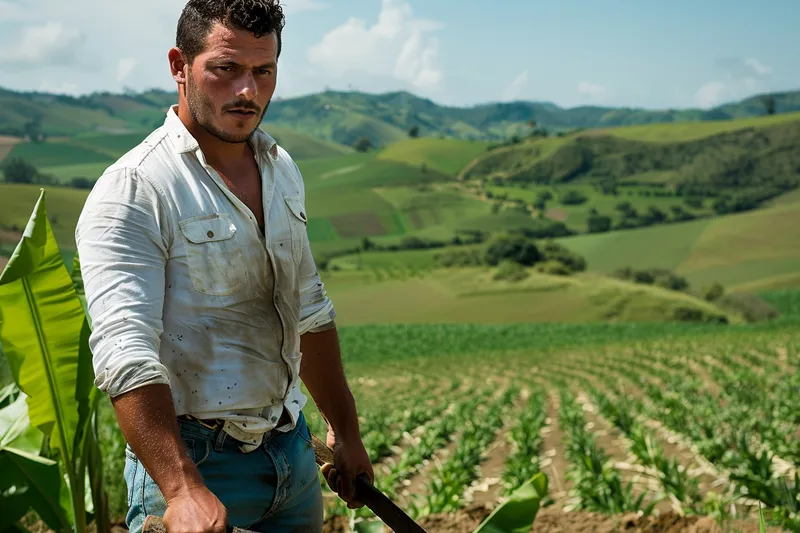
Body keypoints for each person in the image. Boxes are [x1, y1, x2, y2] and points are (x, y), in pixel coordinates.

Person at [74, 1, 373, 532]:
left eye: (264, 72)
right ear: (178, 65)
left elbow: (310, 309)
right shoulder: (135, 190)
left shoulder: (281, 169)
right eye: (225, 69)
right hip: (198, 466)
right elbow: (125, 351)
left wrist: (344, 431)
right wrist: (182, 488)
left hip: (293, 454)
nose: (247, 92)